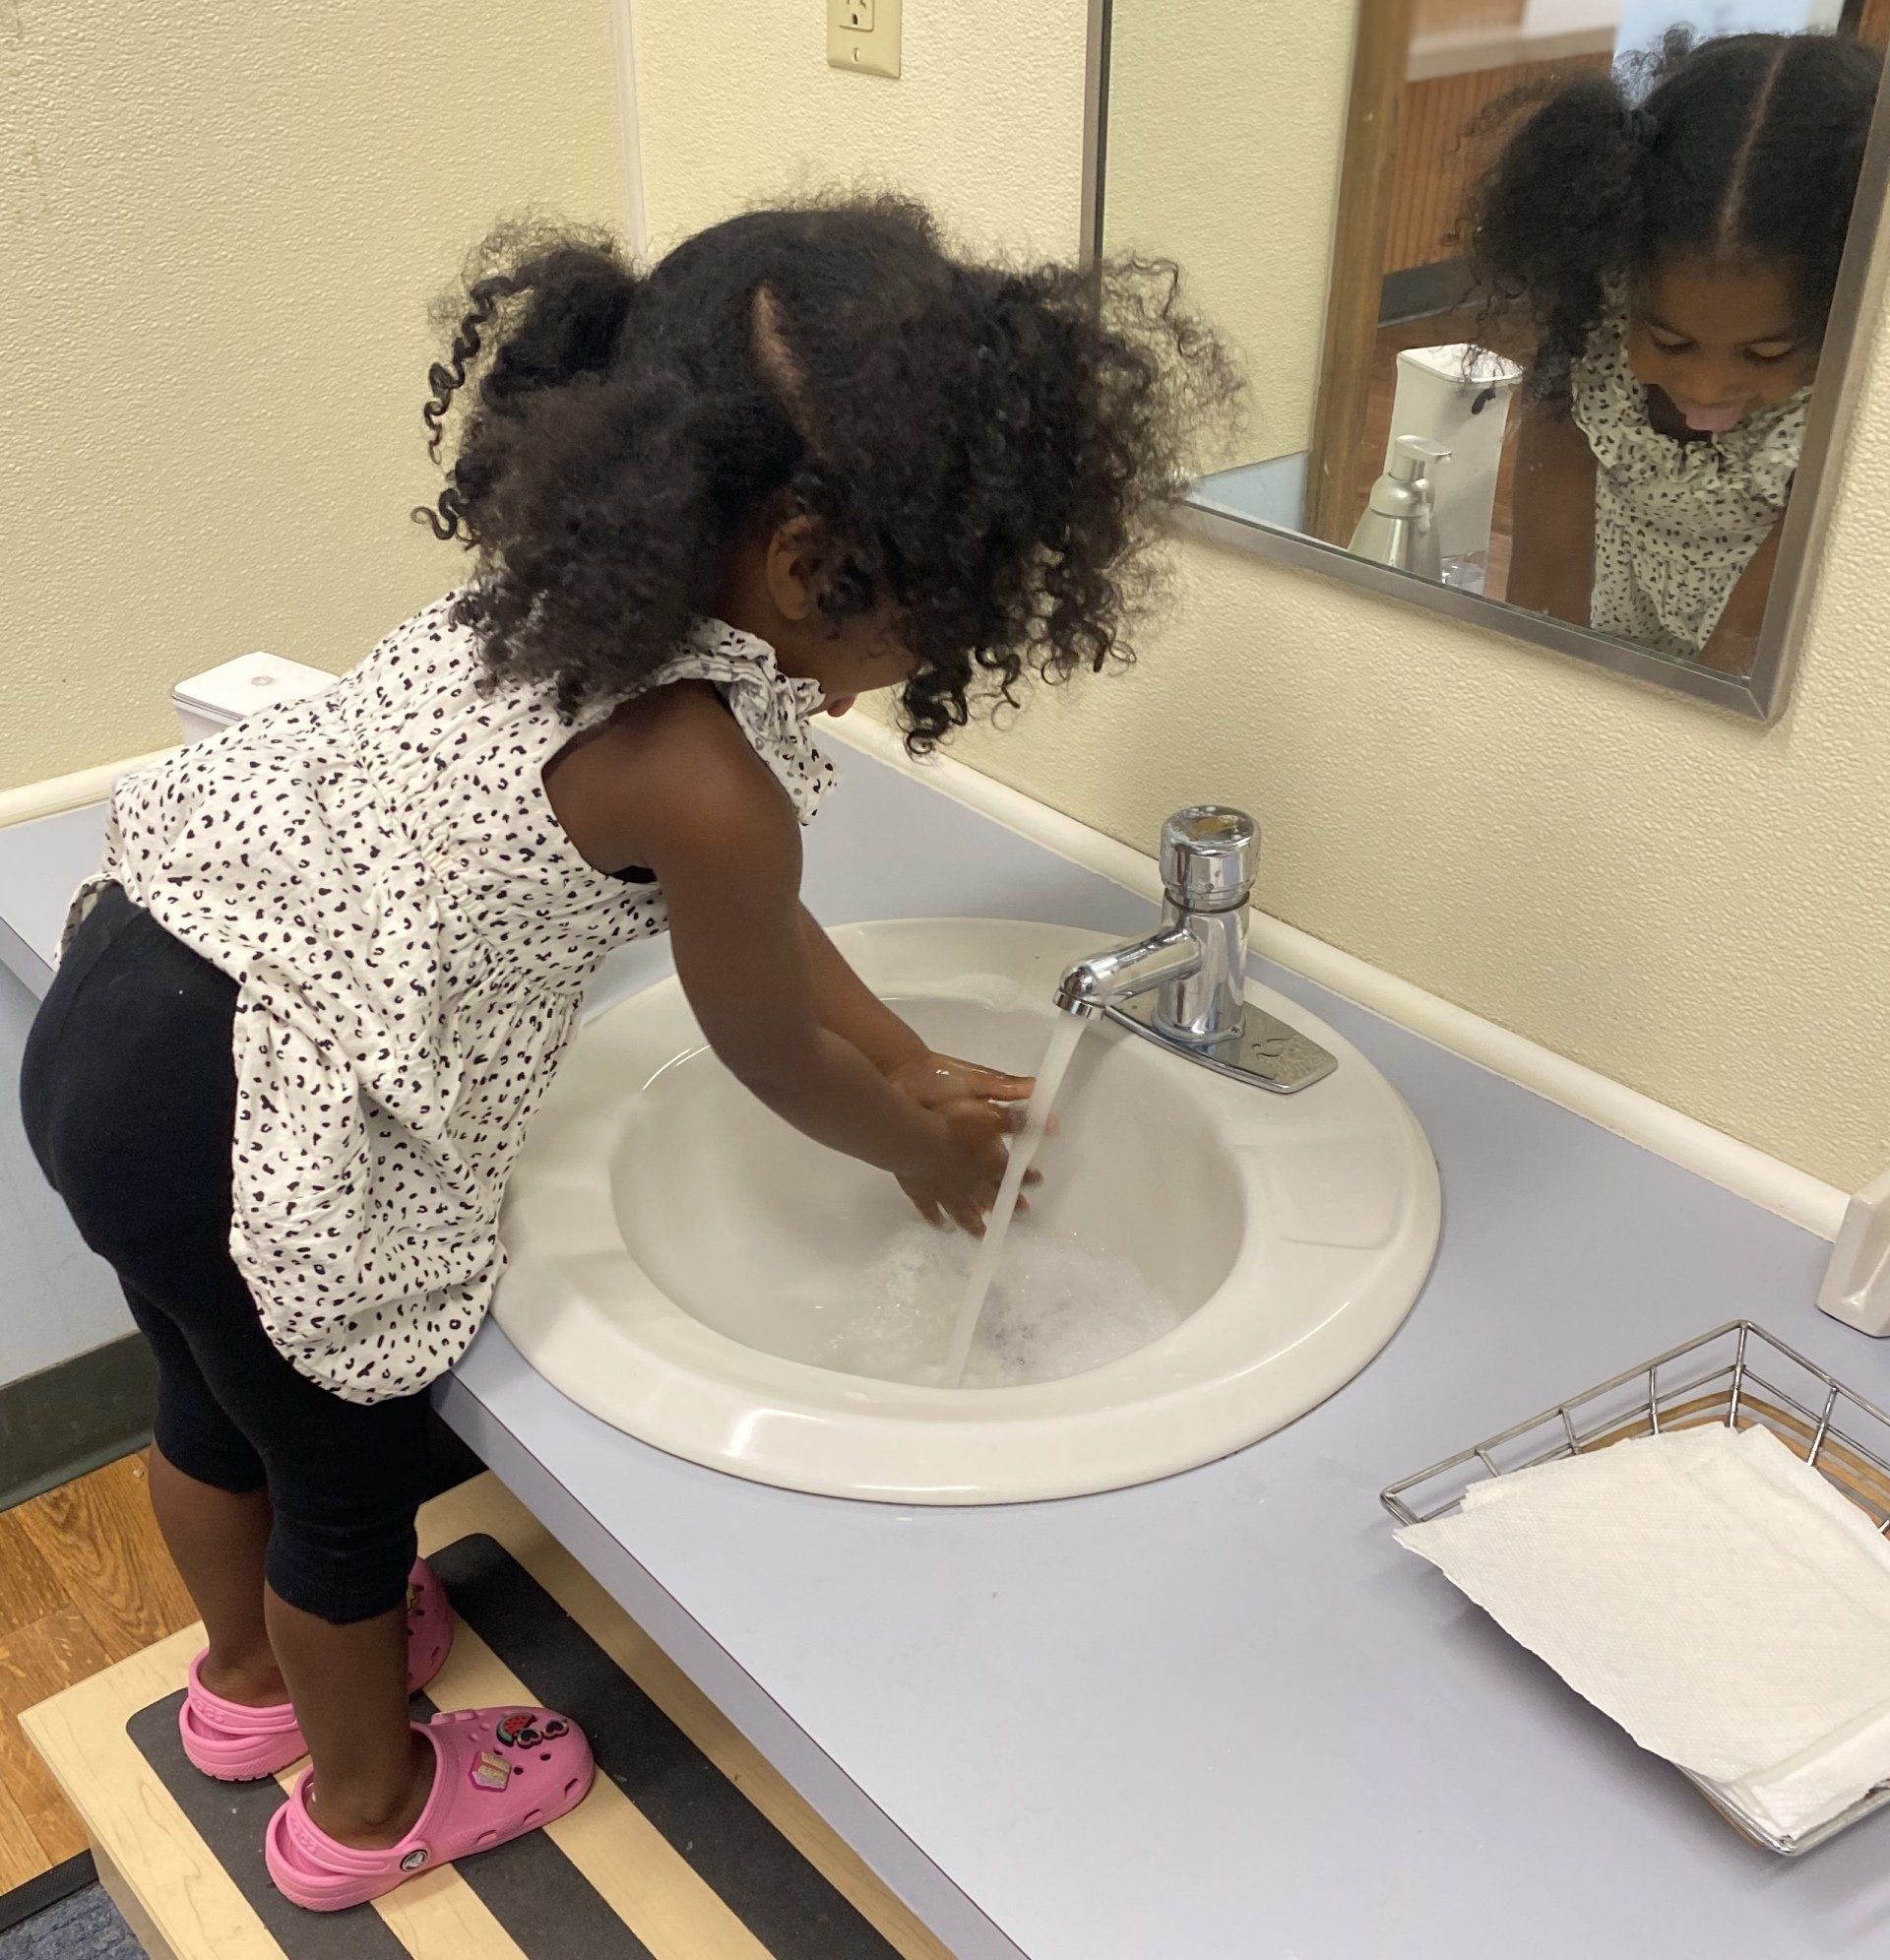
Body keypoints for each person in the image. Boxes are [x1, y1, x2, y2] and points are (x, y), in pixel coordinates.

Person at [19, 197, 1228, 1911]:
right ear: (813, 562)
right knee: (343, 1485)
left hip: (124, 1004)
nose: (905, 673)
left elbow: (765, 943)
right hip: (252, 1109)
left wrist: (904, 1054)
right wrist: (922, 1144)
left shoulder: (567, 610)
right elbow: (764, 1056)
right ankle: (363, 1809)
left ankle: (246, 1690)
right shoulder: (711, 776)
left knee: (209, 1398)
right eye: (924, 623)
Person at [1467, 30, 1880, 672]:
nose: (1707, 387)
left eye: (1766, 354)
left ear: (1839, 313)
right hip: (1621, 636)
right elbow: (1542, 604)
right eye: (1669, 339)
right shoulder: (1589, 341)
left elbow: (1740, 666)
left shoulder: (1844, 423)